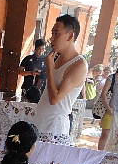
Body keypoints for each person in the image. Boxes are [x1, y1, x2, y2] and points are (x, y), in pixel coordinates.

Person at [33, 14, 88, 145]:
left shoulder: (79, 64)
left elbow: (55, 99)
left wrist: (49, 68)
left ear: (70, 36)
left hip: (55, 127)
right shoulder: (56, 58)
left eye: (56, 33)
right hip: (41, 122)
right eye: (52, 33)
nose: (52, 38)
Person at [18, 38, 47, 103]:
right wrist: (31, 73)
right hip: (27, 87)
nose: (41, 52)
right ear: (35, 48)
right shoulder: (28, 58)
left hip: (39, 90)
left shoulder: (46, 60)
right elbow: (19, 72)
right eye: (39, 49)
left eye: (43, 49)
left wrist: (40, 73)